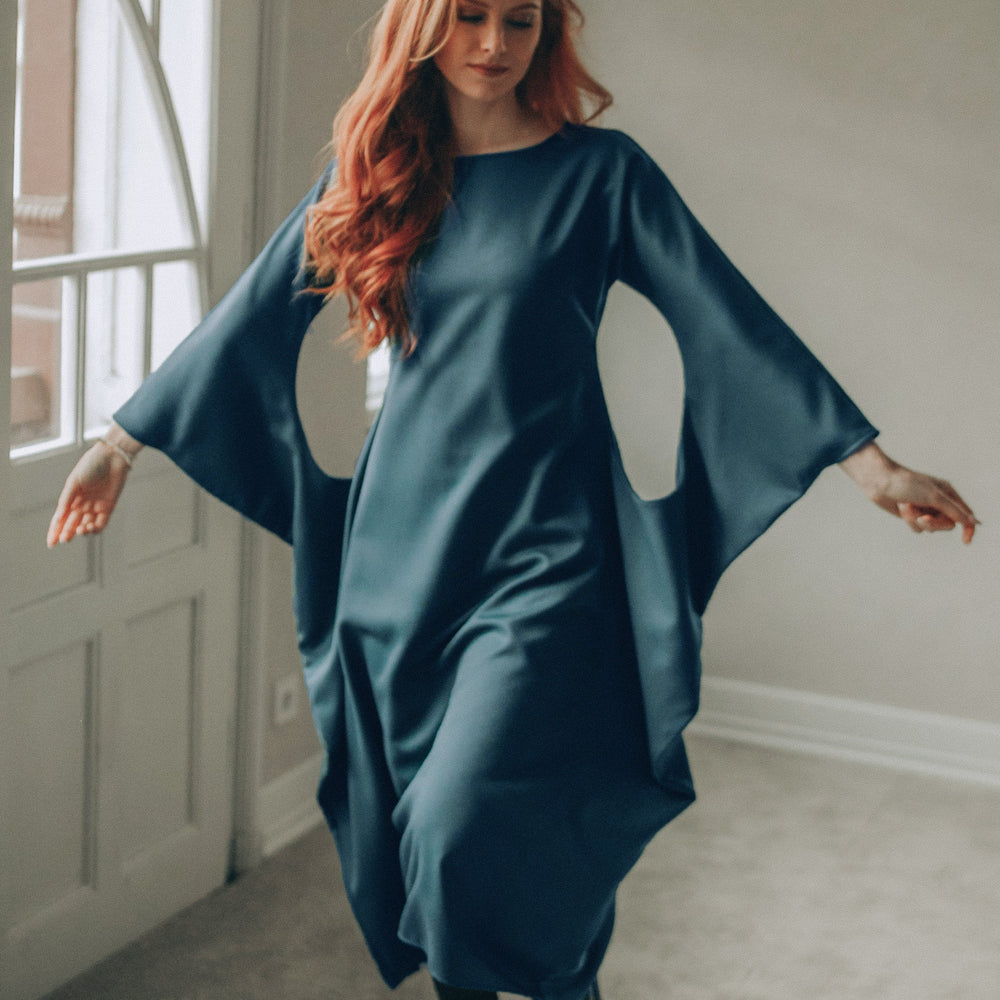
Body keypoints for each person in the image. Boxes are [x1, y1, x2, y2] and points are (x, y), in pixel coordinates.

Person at [47, 2, 979, 999]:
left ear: (549, 32)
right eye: (470, 17)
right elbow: (245, 323)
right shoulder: (377, 179)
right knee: (440, 846)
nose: (494, 44)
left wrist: (870, 466)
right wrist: (119, 444)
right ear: (424, 28)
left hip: (550, 549)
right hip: (402, 556)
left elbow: (728, 316)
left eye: (520, 20)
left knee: (457, 827)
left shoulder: (601, 175)